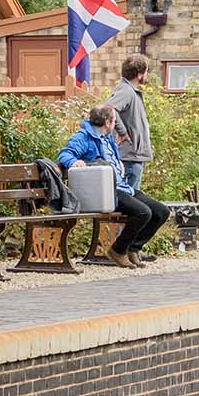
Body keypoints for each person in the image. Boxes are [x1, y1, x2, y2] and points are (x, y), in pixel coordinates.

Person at [59, 103, 169, 267]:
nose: (115, 125)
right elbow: (64, 153)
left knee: (161, 212)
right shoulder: (84, 137)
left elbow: (112, 158)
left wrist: (118, 163)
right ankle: (118, 250)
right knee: (143, 212)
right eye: (115, 121)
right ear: (108, 122)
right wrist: (74, 161)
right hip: (105, 191)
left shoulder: (107, 138)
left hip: (123, 187)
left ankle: (133, 247)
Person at [105, 54, 156, 261]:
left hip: (136, 156)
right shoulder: (125, 91)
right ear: (140, 73)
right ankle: (121, 249)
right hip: (130, 157)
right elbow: (107, 108)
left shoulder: (132, 92)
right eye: (146, 71)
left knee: (137, 207)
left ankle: (130, 249)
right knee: (133, 209)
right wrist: (123, 131)